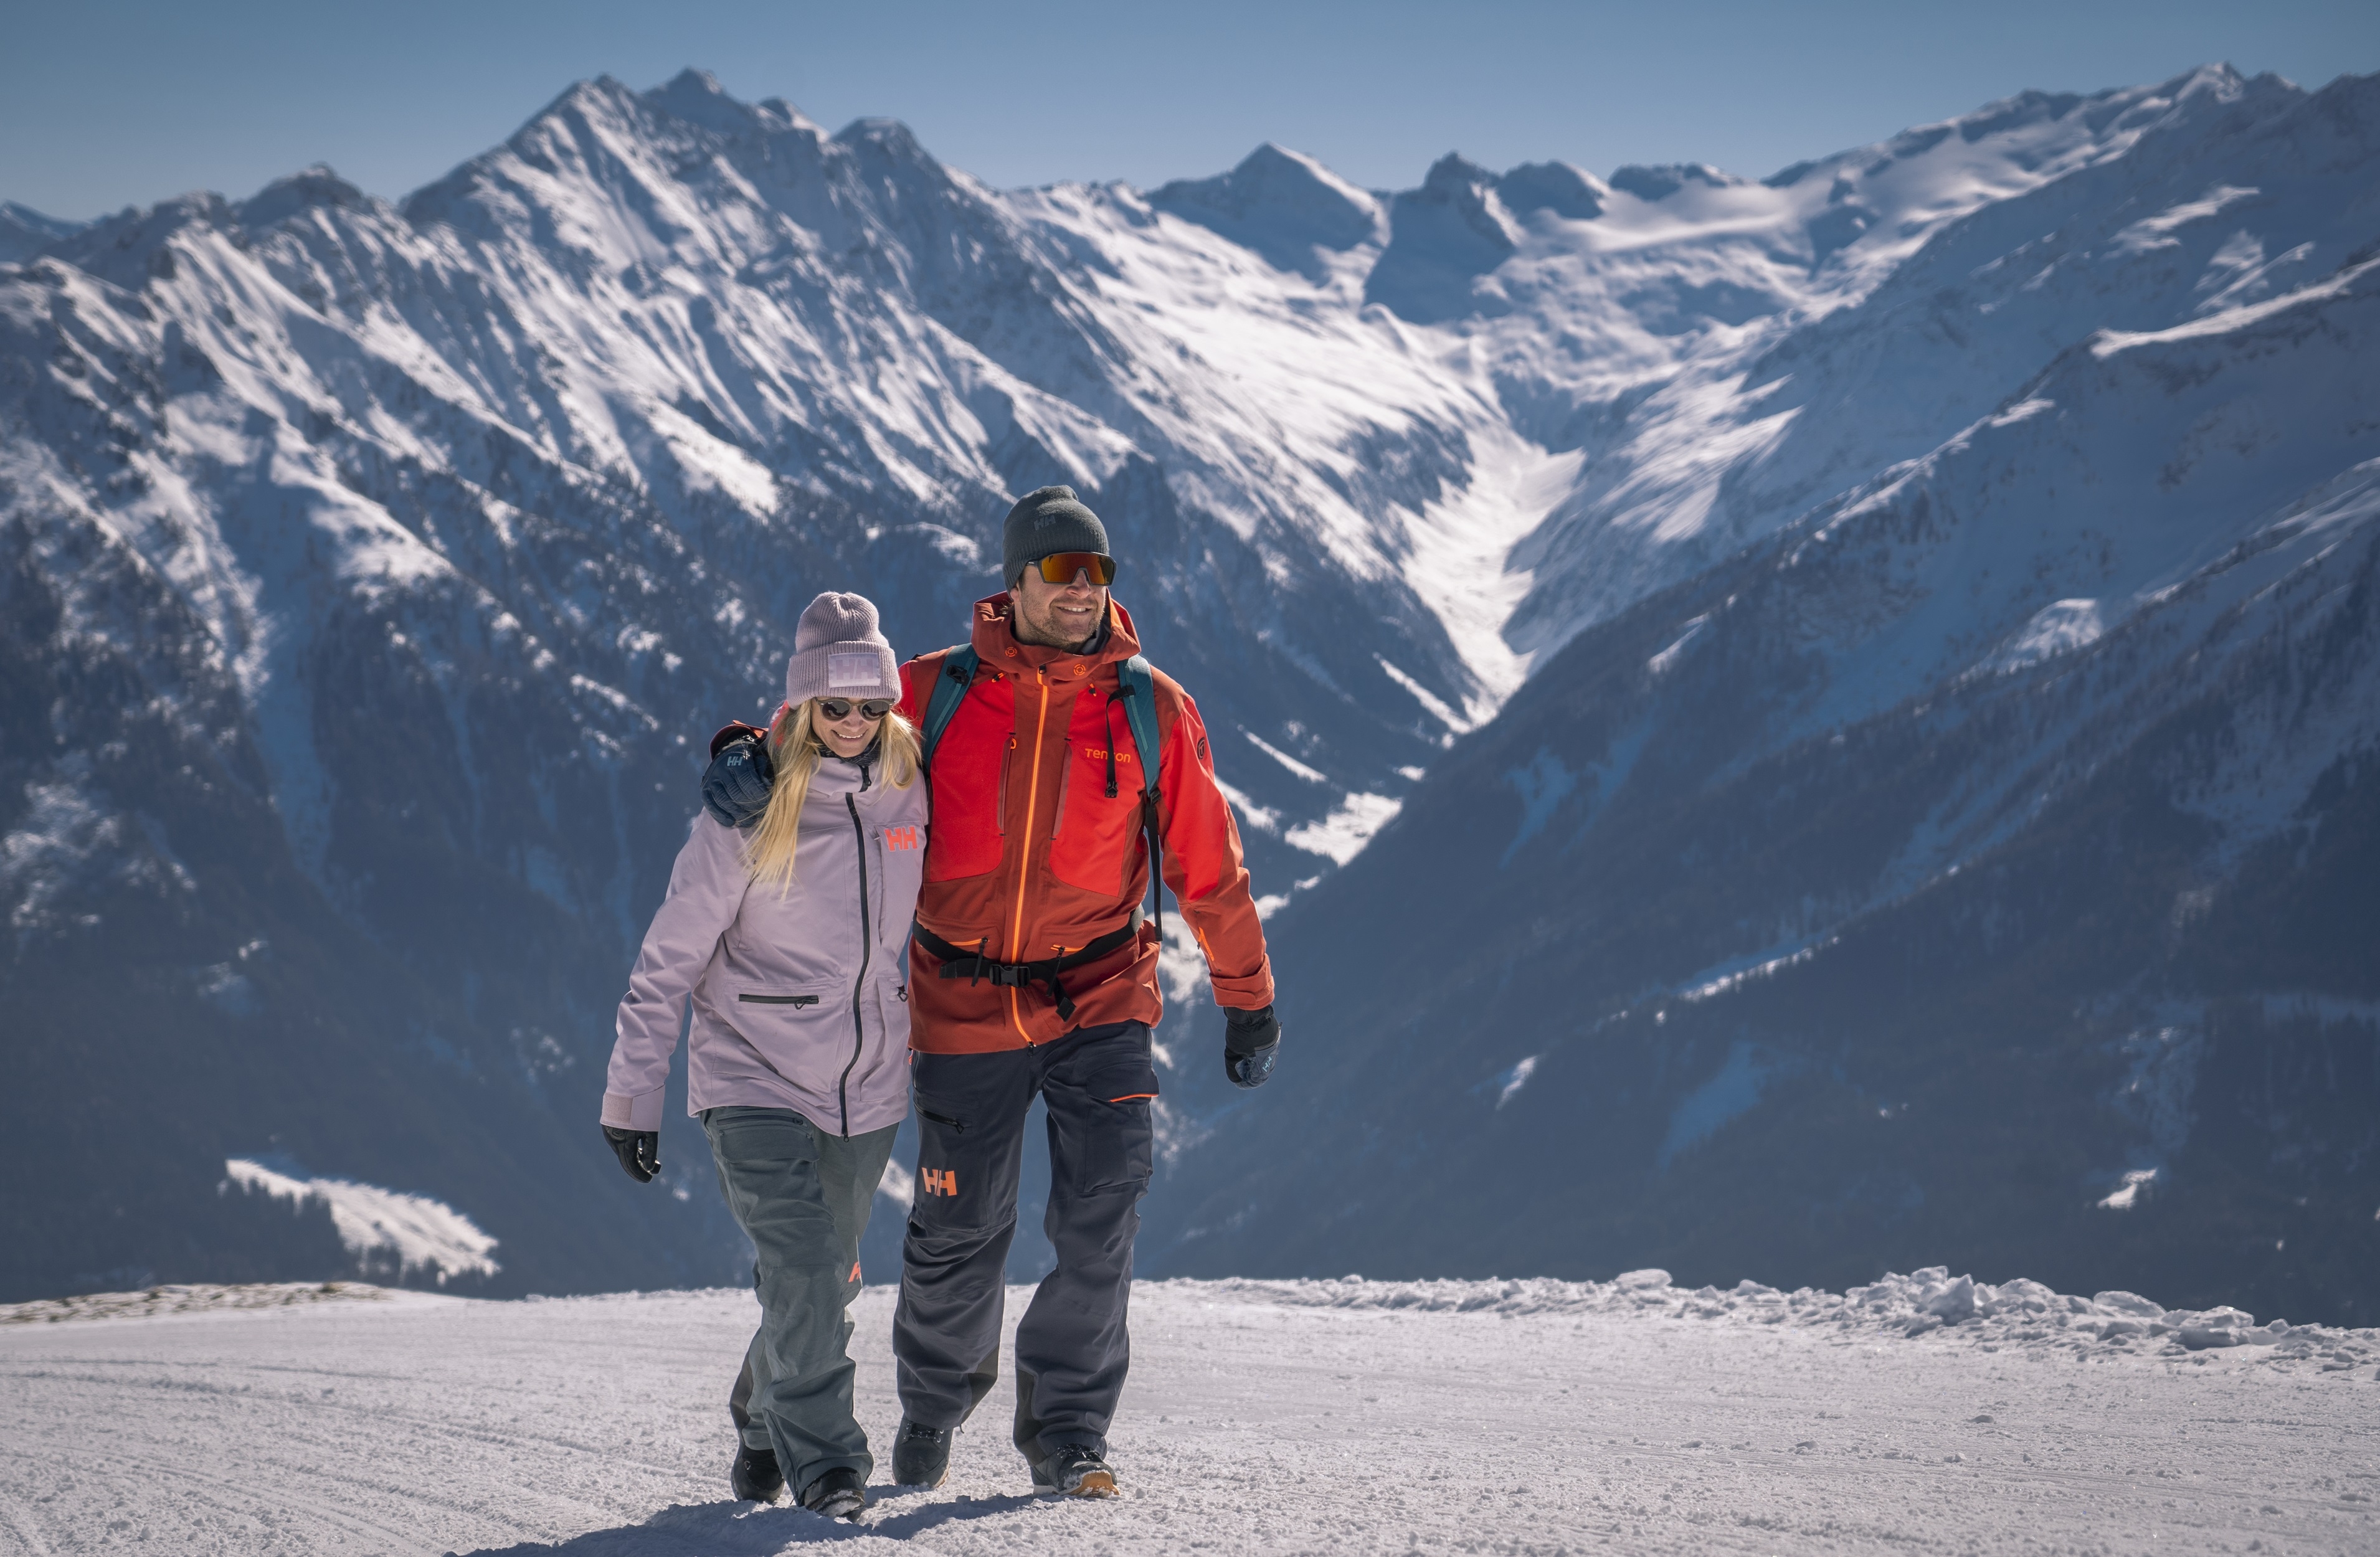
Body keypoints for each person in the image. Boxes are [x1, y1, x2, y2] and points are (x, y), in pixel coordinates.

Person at [701, 486, 1282, 1499]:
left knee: (1103, 1210)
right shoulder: (933, 692)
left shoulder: (1149, 706)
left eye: (1096, 570)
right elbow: (823, 725)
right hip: (960, 999)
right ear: (1013, 582)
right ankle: (933, 1403)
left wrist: (1248, 996)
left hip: (1101, 993)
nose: (1081, 589)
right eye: (1059, 570)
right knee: (959, 1231)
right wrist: (746, 752)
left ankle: (1068, 1432)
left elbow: (1208, 865)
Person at [599, 591, 928, 1523]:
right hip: (749, 1071)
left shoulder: (912, 783)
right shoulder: (746, 809)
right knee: (808, 1269)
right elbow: (668, 958)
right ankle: (829, 1468)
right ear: (802, 705)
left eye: (871, 705)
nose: (855, 722)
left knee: (823, 1277)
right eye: (835, 706)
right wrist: (631, 1095)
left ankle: (760, 1416)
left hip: (868, 1082)